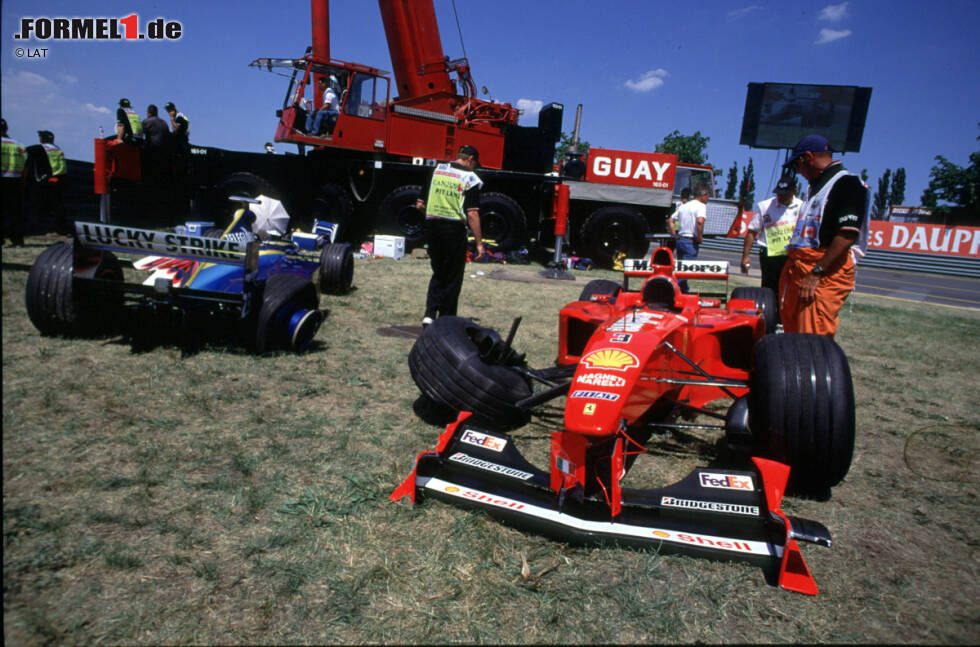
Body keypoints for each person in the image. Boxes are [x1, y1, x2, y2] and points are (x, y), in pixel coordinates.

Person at [779, 134, 870, 338]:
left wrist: (816, 272)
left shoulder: (847, 184)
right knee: (794, 331)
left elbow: (846, 236)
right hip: (802, 268)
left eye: (797, 165)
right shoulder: (815, 188)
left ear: (808, 157)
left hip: (823, 272)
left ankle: (811, 369)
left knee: (812, 335)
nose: (798, 172)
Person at [415, 144, 485, 327]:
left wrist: (434, 217)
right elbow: (472, 214)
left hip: (433, 227)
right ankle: (446, 320)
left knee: (438, 272)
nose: (474, 168)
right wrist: (479, 243)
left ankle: (429, 314)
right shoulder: (470, 178)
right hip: (454, 230)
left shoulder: (436, 170)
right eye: (475, 164)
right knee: (453, 276)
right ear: (470, 159)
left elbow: (420, 205)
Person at [740, 176, 803, 302]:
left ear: (794, 191)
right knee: (769, 288)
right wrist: (745, 256)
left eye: (785, 194)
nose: (781, 197)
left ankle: (784, 317)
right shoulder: (764, 206)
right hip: (769, 254)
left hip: (792, 255)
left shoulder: (803, 207)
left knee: (791, 287)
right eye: (779, 193)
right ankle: (769, 315)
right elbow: (752, 231)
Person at [672, 185, 709, 292]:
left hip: (680, 240)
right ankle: (669, 287)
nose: (707, 200)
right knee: (686, 270)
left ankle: (684, 292)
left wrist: (674, 234)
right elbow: (700, 221)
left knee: (681, 269)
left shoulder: (684, 206)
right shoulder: (701, 206)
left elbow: (670, 220)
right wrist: (700, 237)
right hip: (690, 241)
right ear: (703, 195)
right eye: (707, 197)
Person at [2, 118, 28, 246]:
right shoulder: (20, 145)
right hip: (15, 181)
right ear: (6, 129)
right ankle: (18, 241)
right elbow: (25, 167)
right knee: (15, 213)